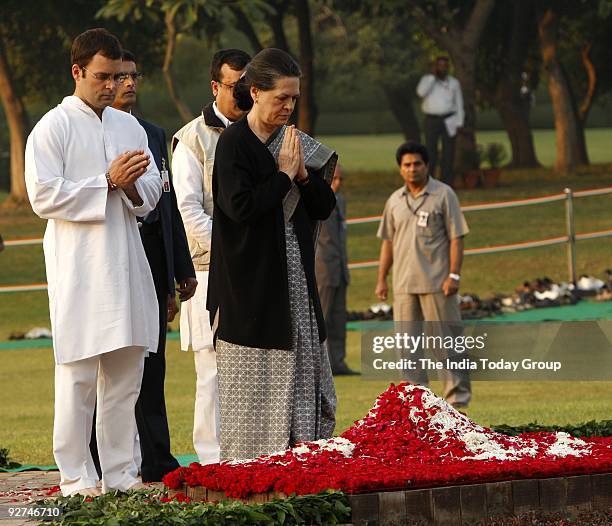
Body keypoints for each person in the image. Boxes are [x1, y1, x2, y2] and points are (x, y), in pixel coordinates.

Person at [24, 28, 162, 496]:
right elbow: (43, 195)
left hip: (125, 263)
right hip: (79, 269)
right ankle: (77, 478)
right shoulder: (52, 127)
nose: (111, 85)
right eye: (101, 76)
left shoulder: (129, 126)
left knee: (125, 380)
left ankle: (122, 475)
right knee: (79, 378)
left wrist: (127, 187)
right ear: (77, 72)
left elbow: (152, 194)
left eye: (117, 76)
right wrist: (105, 181)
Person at [207, 48, 337, 460]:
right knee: (256, 378)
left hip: (295, 277)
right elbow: (240, 208)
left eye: (294, 98)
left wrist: (301, 175)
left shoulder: (295, 142)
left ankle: (303, 455)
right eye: (281, 97)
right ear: (256, 91)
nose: (288, 105)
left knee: (303, 367)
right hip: (249, 282)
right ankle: (254, 466)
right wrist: (282, 176)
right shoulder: (233, 143)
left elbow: (322, 207)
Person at [89, 49, 197, 482]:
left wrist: (180, 268)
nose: (128, 84)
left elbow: (166, 206)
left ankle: (157, 458)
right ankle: (99, 460)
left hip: (153, 260)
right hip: (109, 259)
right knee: (109, 361)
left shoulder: (152, 133)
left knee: (152, 363)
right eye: (119, 76)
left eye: (134, 76)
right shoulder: (91, 132)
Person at [171, 48, 250, 465]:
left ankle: (253, 458)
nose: (245, 94)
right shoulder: (191, 140)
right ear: (216, 86)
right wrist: (235, 247)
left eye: (251, 85)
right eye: (237, 85)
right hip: (208, 271)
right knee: (213, 373)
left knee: (257, 369)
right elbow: (188, 212)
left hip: (256, 271)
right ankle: (212, 462)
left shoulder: (266, 131)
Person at [375, 141, 471, 408]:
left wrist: (454, 275)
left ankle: (457, 403)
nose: (412, 169)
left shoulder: (444, 194)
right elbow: (388, 243)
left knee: (447, 344)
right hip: (404, 285)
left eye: (417, 163)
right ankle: (417, 406)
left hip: (438, 283)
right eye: (407, 165)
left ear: (427, 166)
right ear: (400, 169)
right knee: (407, 349)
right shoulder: (394, 200)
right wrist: (382, 278)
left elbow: (456, 237)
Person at [315, 165, 357, 376]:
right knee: (323, 318)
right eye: (334, 179)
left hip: (340, 268)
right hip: (323, 267)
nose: (338, 183)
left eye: (341, 179)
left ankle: (338, 362)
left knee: (339, 319)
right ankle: (320, 366)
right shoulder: (316, 199)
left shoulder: (341, 201)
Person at [416, 56, 464, 186]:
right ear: (435, 67)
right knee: (430, 151)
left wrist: (459, 123)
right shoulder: (427, 80)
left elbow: (459, 104)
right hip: (432, 120)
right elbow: (421, 93)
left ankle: (447, 183)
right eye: (439, 66)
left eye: (445, 66)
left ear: (448, 68)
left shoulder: (454, 83)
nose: (442, 68)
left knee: (449, 152)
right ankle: (429, 182)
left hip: (449, 119)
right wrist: (432, 77)